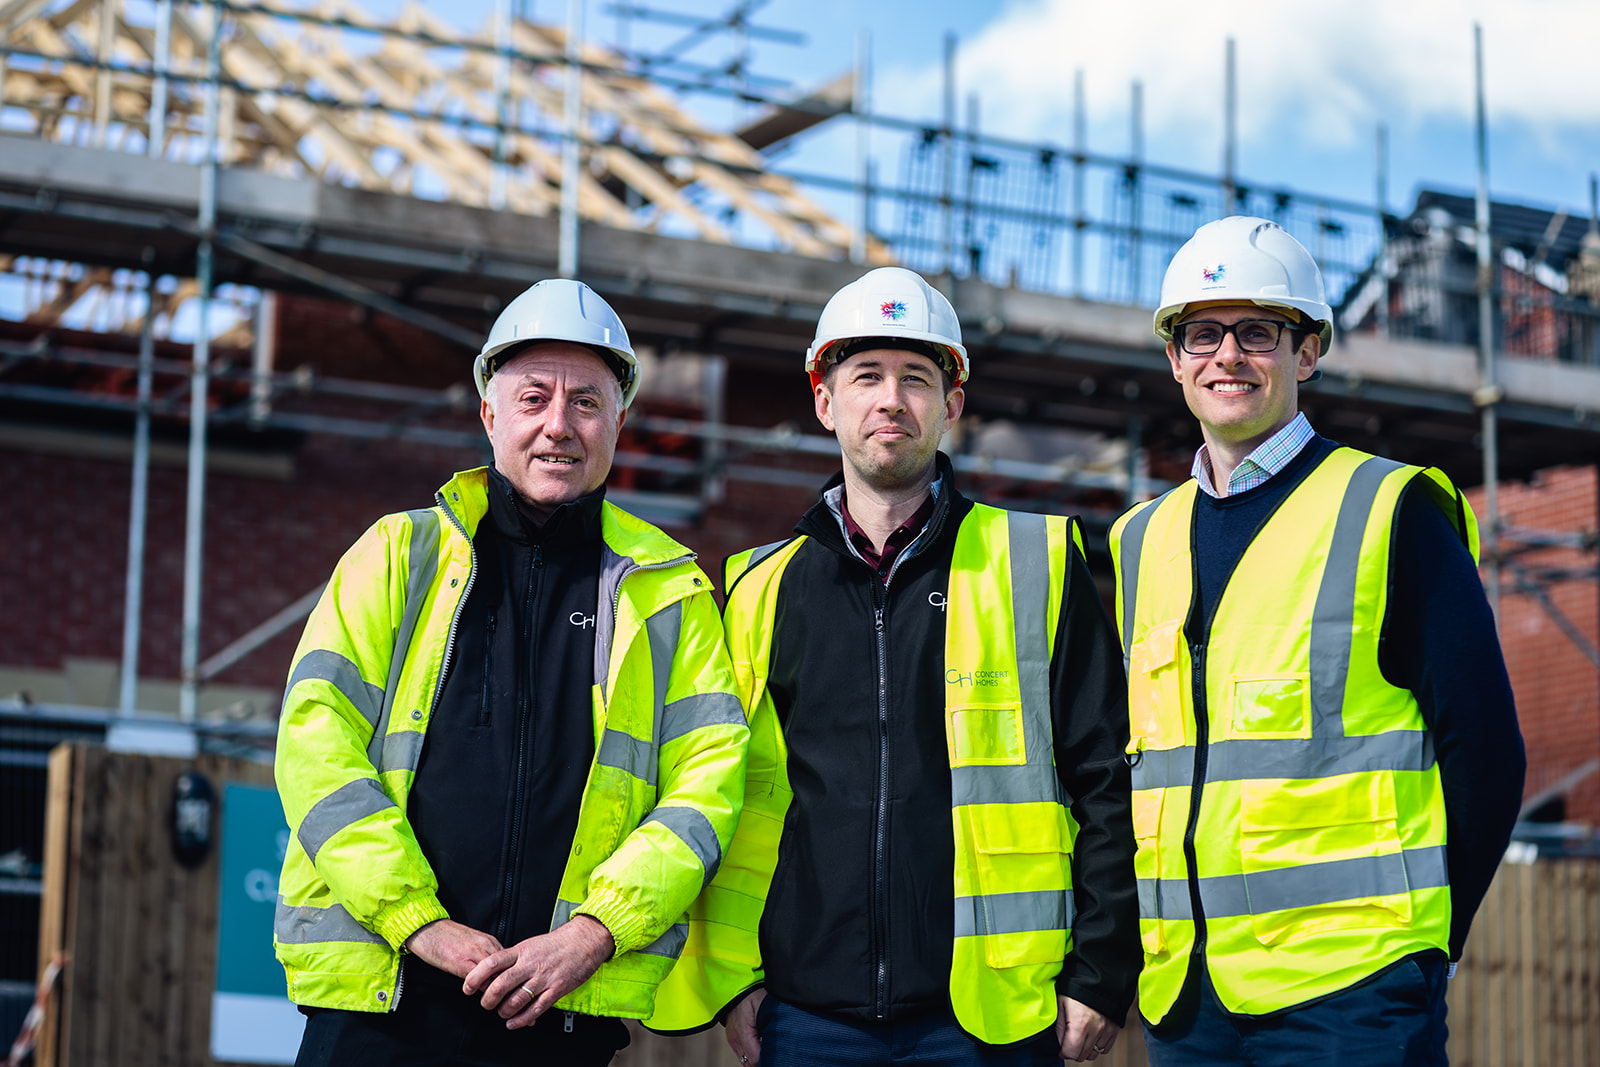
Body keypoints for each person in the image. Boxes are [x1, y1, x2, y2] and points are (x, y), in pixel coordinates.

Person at [647, 266, 1140, 1065]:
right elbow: (715, 790)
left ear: (951, 406)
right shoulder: (756, 586)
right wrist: (735, 981)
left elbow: (1106, 781)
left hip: (994, 1015)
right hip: (807, 1015)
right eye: (866, 375)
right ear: (824, 400)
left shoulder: (1040, 565)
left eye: (917, 378)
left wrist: (1101, 970)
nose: (890, 399)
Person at [273, 279, 749, 1067]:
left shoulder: (669, 593)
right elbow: (314, 743)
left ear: (619, 423)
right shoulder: (398, 556)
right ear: (490, 415)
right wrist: (419, 923)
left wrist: (594, 933)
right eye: (534, 397)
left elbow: (708, 788)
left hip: (560, 1018)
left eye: (586, 403)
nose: (558, 425)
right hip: (383, 1005)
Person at [1111, 216, 1525, 1065]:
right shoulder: (1134, 543)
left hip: (1354, 997)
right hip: (1189, 1001)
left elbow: (1485, 750)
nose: (1227, 355)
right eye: (1201, 334)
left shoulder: (1390, 509)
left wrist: (1427, 941)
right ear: (1174, 359)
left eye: (1257, 331)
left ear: (1306, 352)